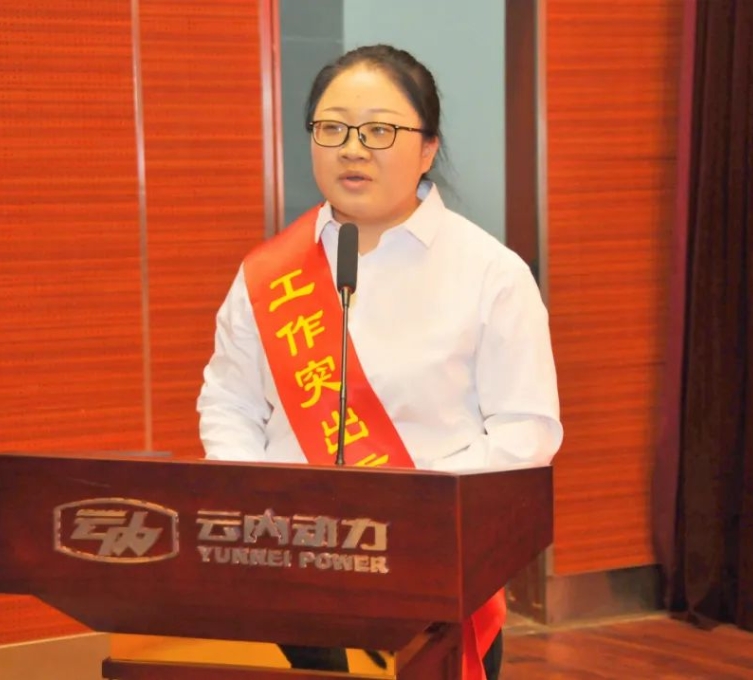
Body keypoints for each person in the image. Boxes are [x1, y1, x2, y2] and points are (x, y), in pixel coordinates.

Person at [197, 44, 562, 679]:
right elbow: (229, 403)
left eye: (379, 131)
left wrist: (412, 509)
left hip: (430, 574)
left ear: (427, 148)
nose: (353, 149)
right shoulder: (268, 275)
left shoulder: (490, 273)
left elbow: (525, 430)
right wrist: (257, 508)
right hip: (290, 572)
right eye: (333, 128)